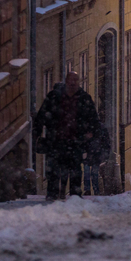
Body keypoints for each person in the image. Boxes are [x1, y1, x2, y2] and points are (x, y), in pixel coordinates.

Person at [33, 71, 103, 201]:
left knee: (75, 170)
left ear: (79, 82)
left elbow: (94, 120)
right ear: (66, 81)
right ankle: (52, 195)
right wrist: (36, 134)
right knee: (53, 169)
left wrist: (91, 134)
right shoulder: (54, 97)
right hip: (56, 141)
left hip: (75, 142)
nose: (73, 83)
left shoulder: (84, 99)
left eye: (76, 80)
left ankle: (75, 197)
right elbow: (41, 116)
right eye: (71, 80)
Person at [83, 119, 110, 196]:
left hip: (92, 154)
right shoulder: (101, 128)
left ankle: (88, 190)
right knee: (93, 173)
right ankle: (95, 190)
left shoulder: (88, 127)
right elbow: (106, 142)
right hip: (96, 154)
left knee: (88, 172)